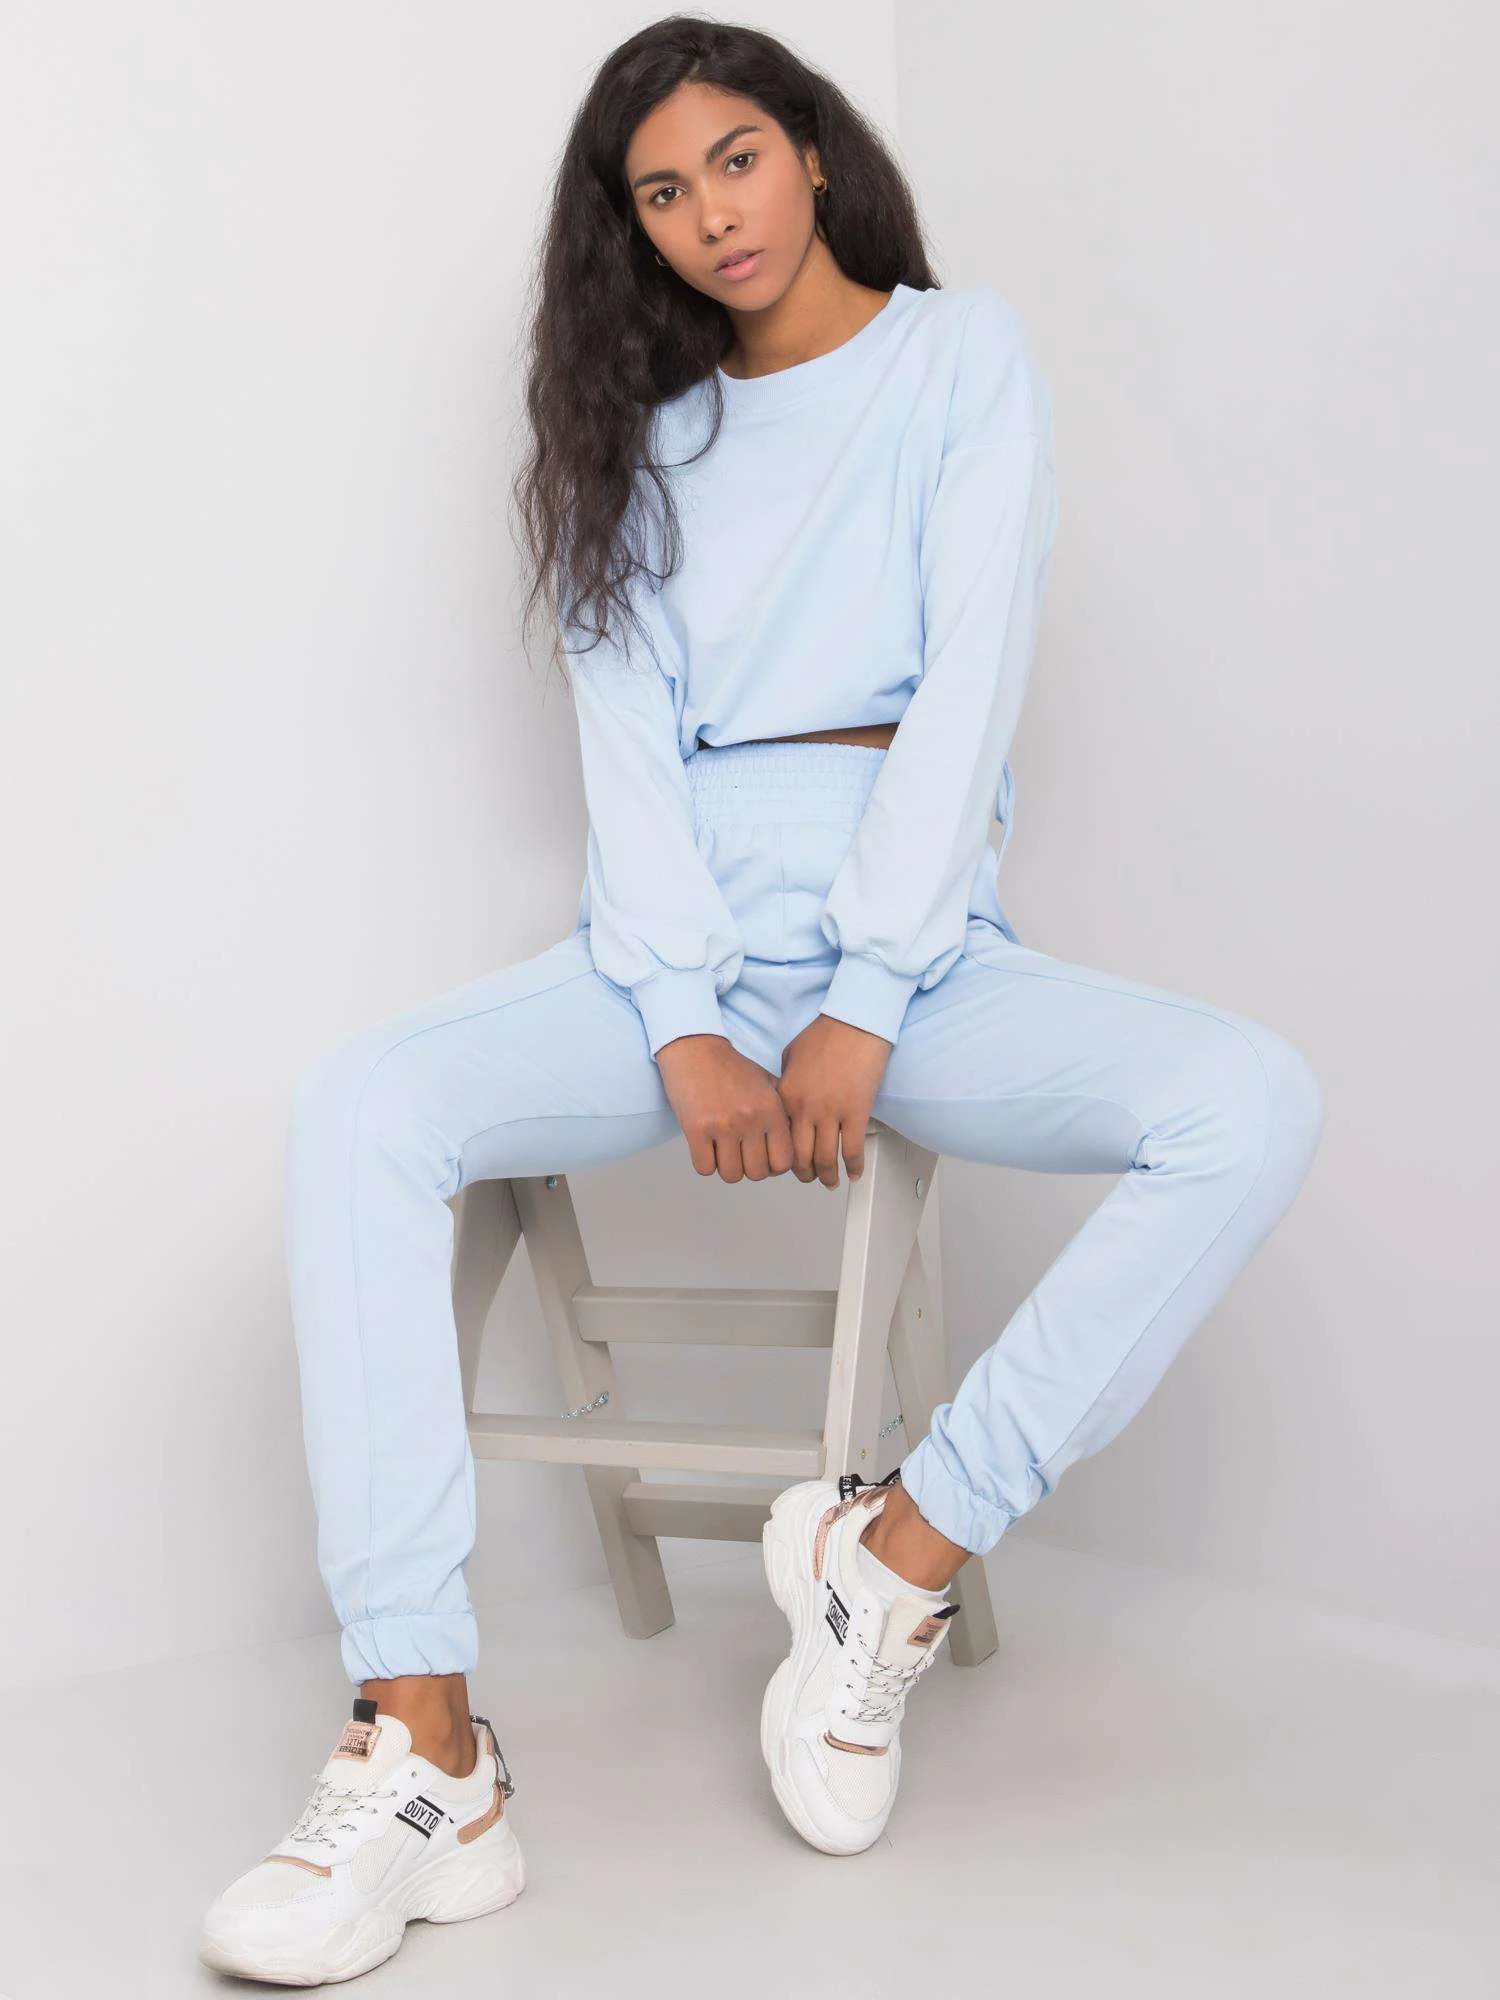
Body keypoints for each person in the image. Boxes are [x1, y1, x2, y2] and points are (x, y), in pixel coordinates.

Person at [199, 14, 1325, 1982]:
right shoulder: (634, 437)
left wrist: (869, 994)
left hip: (920, 942)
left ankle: (894, 1554)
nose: (711, 213)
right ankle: (425, 1744)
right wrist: (683, 1019)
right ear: (630, 230)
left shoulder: (959, 360)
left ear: (810, 149)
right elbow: (625, 747)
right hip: (676, 938)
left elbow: (968, 679)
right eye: (661, 192)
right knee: (361, 1105)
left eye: (734, 159)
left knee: (1249, 1101)